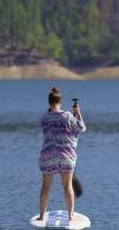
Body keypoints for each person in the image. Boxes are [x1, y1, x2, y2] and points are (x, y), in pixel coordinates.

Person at [37, 87, 86, 221]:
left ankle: (41, 216)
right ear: (61, 101)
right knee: (67, 186)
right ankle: (70, 215)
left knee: (46, 186)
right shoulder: (67, 116)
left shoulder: (44, 118)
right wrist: (78, 113)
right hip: (66, 156)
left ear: (49, 102)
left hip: (48, 156)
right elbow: (81, 128)